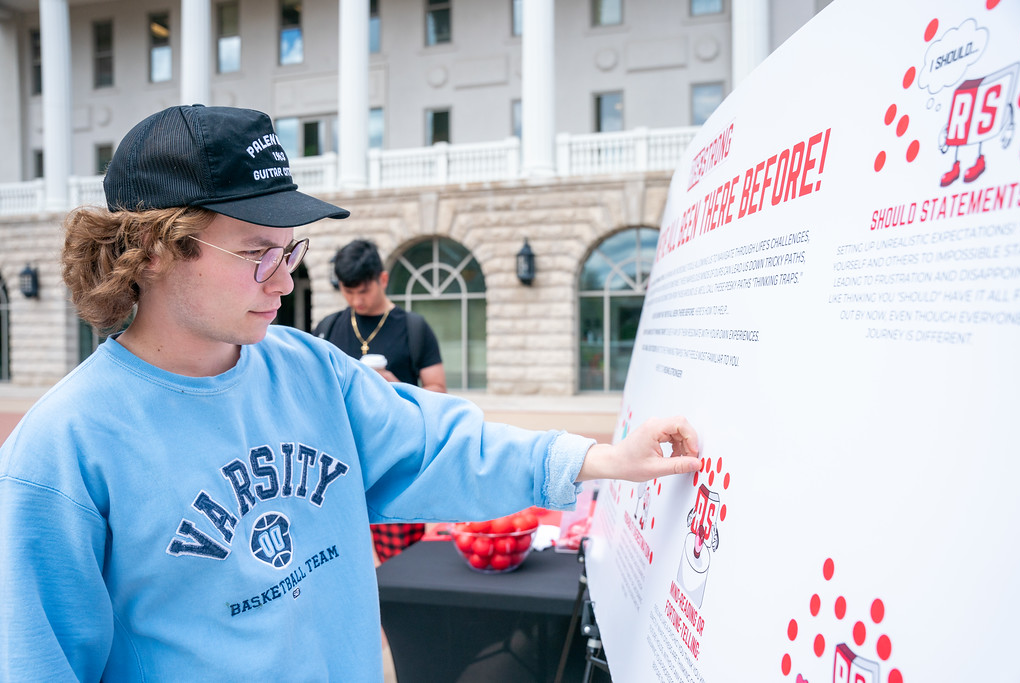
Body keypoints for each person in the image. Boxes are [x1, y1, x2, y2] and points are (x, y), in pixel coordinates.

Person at [0, 104, 701, 682]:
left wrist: (604, 458)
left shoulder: (309, 368)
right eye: (256, 253)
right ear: (151, 249)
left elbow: (442, 442)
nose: (284, 280)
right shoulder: (64, 448)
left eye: (291, 249)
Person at [315, 239, 445, 563]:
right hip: (338, 459)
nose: (356, 300)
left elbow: (438, 390)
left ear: (382, 280)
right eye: (348, 291)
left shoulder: (414, 328)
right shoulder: (328, 329)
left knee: (401, 564)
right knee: (340, 555)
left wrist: (396, 388)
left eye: (364, 291)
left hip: (395, 460)